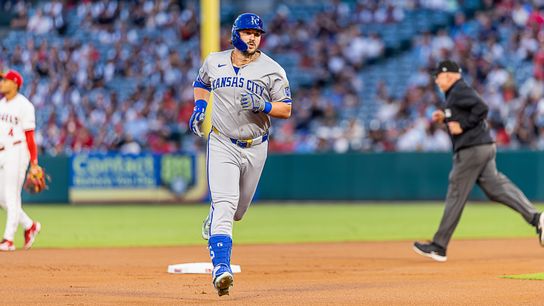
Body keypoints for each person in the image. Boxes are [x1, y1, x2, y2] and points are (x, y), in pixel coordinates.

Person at [189, 13, 292, 296]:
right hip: (222, 141)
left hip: (256, 146)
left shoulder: (272, 69)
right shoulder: (214, 61)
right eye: (247, 32)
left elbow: (286, 108)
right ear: (235, 34)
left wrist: (265, 106)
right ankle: (222, 269)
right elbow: (202, 82)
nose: (252, 37)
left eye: (257, 34)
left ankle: (217, 219)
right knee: (224, 203)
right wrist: (199, 107)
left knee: (238, 211)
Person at [413, 60, 544, 262]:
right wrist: (446, 118)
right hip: (484, 147)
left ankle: (439, 246)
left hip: (471, 149)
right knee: (496, 188)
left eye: (438, 76)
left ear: (448, 75)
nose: (437, 81)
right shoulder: (455, 92)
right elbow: (465, 112)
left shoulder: (458, 89)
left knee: (456, 192)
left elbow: (481, 107)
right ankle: (537, 218)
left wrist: (462, 125)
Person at [0, 69, 42, 251]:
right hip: (2, 151)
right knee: (3, 198)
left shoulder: (25, 105)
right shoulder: (1, 104)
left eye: (5, 80)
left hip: (17, 151)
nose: (2, 83)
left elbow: (30, 137)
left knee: (12, 195)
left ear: (15, 83)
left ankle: (8, 239)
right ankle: (30, 225)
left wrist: (34, 162)